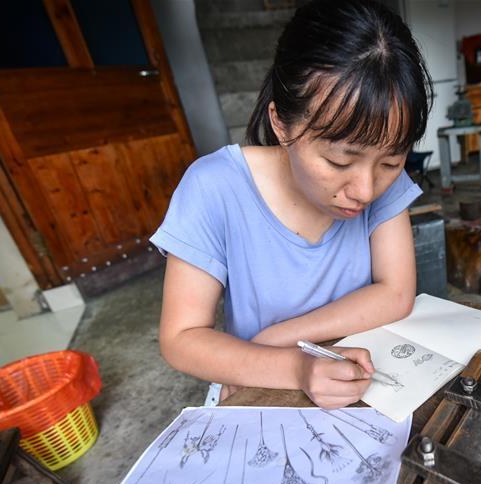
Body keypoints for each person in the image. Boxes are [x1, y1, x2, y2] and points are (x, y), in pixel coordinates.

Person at [150, 0, 431, 409]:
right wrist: (296, 367)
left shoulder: (378, 182)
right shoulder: (214, 187)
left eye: (391, 162)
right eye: (340, 161)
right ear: (281, 123)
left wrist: (277, 337)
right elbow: (181, 338)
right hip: (260, 385)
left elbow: (396, 293)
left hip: (356, 381)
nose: (366, 190)